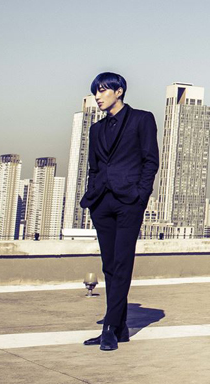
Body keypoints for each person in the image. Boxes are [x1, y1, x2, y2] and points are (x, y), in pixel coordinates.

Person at [81, 72, 160, 351]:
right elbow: (94, 167)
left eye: (103, 90)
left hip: (129, 202)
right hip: (101, 202)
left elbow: (151, 161)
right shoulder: (96, 129)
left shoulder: (142, 119)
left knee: (122, 264)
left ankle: (108, 329)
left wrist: (140, 196)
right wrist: (93, 195)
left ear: (119, 91)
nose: (98, 96)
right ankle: (120, 327)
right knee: (109, 265)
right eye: (95, 92)